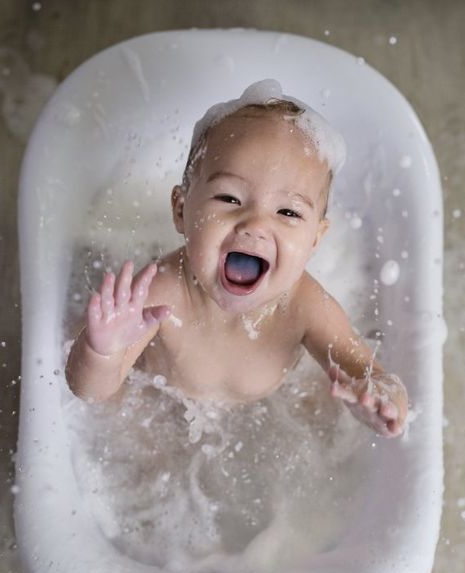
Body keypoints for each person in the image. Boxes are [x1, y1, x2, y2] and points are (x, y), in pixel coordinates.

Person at [65, 79, 408, 438]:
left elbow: (369, 371)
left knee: (313, 418)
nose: (256, 224)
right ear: (181, 210)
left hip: (264, 415)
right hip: (161, 403)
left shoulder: (307, 306)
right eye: (229, 198)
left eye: (288, 212)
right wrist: (101, 351)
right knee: (142, 447)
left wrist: (381, 399)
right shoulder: (160, 291)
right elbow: (90, 392)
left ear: (315, 240)